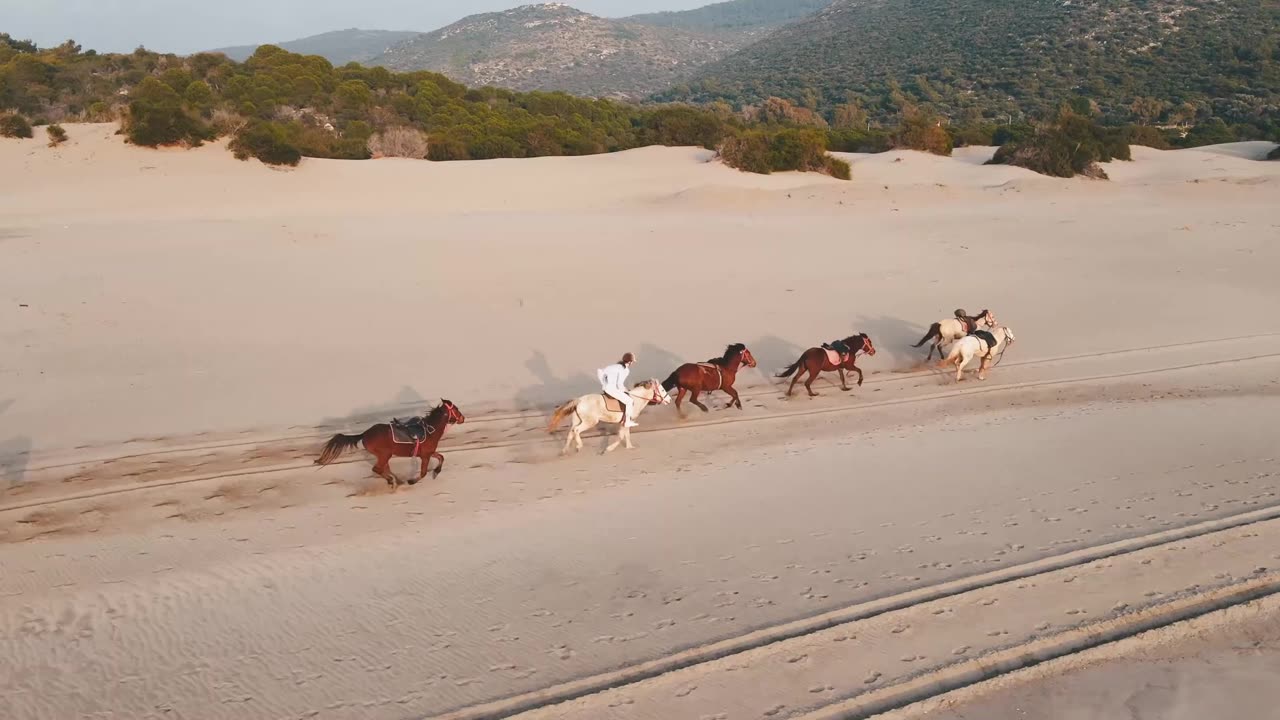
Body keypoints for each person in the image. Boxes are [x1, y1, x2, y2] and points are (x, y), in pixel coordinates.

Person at [598, 352, 638, 428]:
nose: (632, 363)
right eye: (632, 361)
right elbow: (619, 385)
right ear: (629, 362)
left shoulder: (614, 366)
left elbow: (600, 371)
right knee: (629, 401)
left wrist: (604, 383)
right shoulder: (625, 370)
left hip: (606, 388)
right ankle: (627, 422)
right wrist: (626, 390)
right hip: (613, 390)